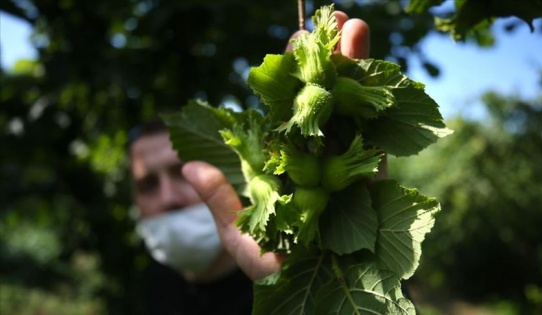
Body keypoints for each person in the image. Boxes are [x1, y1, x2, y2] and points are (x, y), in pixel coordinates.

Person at [128, 10, 371, 315]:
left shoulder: (292, 274)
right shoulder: (157, 284)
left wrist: (315, 283)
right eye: (147, 184)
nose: (169, 198)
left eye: (182, 173)